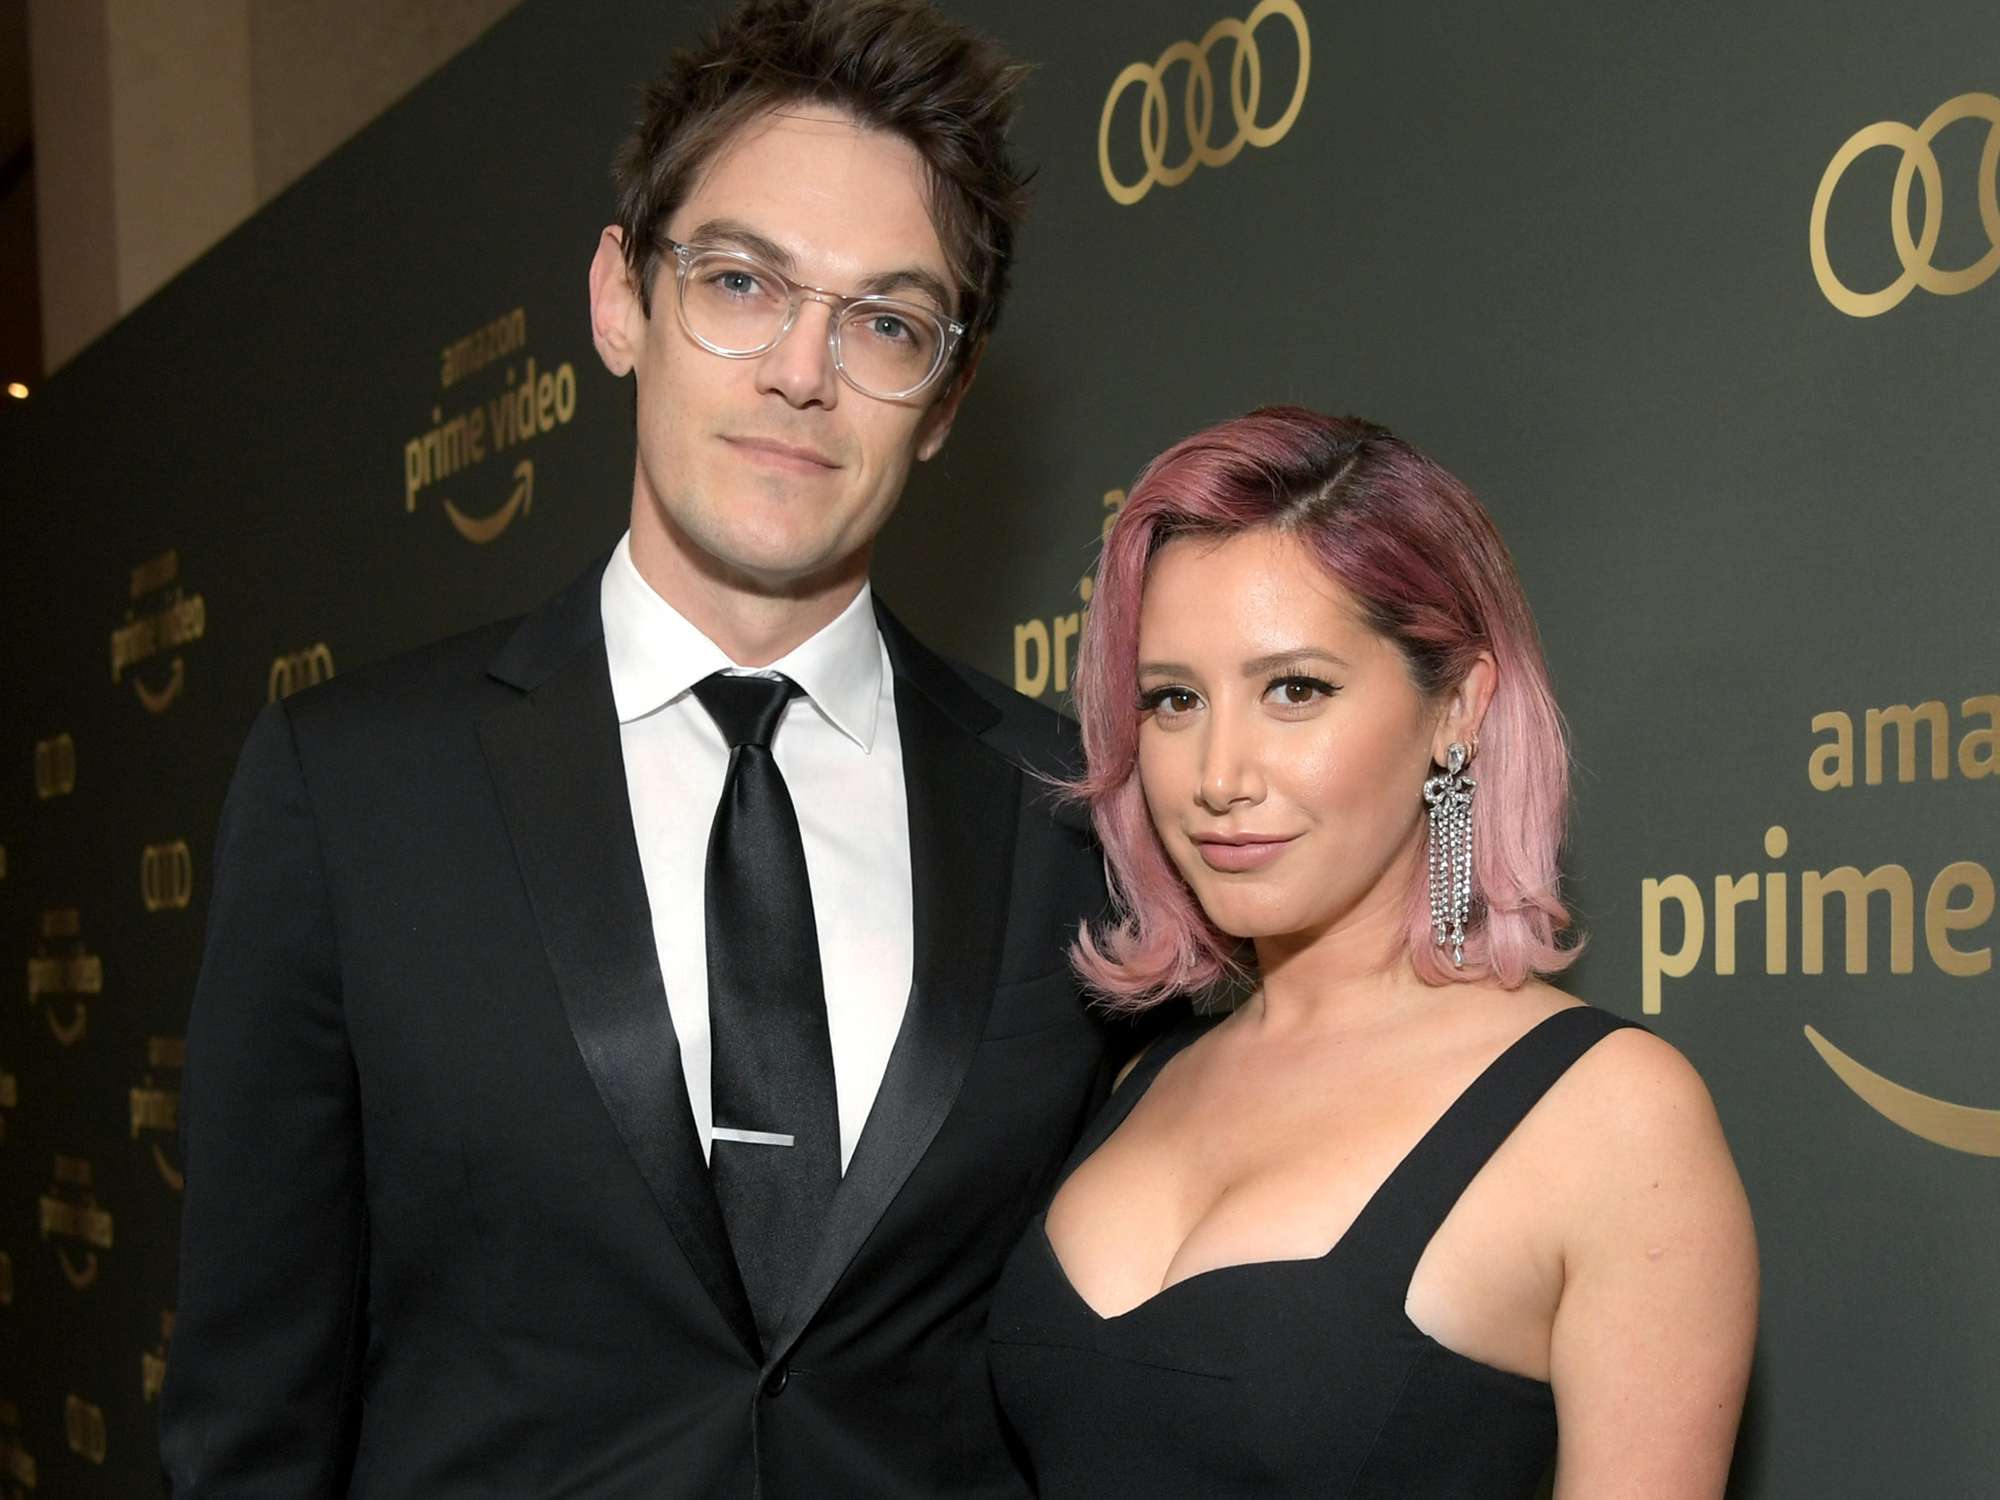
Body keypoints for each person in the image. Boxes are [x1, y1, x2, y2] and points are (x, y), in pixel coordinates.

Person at [161, 3, 1114, 1495]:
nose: (803, 369)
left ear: (945, 399)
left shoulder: (1069, 816)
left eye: (885, 321)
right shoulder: (351, 790)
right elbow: (252, 1417)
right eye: (740, 281)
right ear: (620, 299)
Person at [988, 407, 1758, 1497]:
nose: (1218, 772)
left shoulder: (1610, 1118)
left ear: (1457, 708)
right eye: (1172, 700)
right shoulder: (1139, 1075)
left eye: (1293, 690)